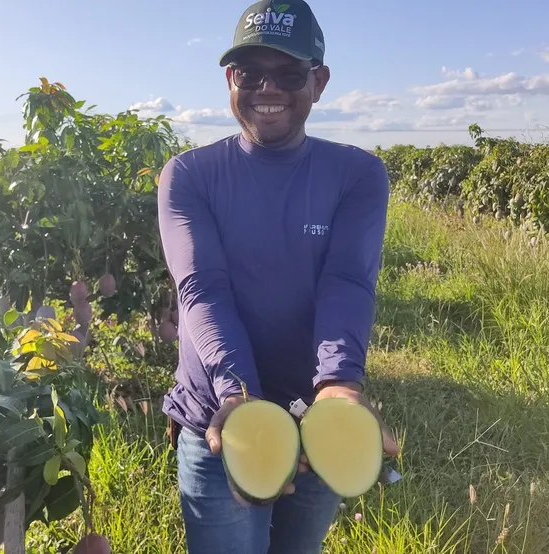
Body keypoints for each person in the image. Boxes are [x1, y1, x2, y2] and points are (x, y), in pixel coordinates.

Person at [156, 1, 401, 552]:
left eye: (289, 73)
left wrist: (338, 383)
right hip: (219, 420)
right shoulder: (190, 176)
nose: (268, 88)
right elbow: (202, 287)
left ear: (320, 81)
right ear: (229, 80)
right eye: (250, 73)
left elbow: (347, 281)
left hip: (315, 417)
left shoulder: (357, 175)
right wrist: (238, 395)